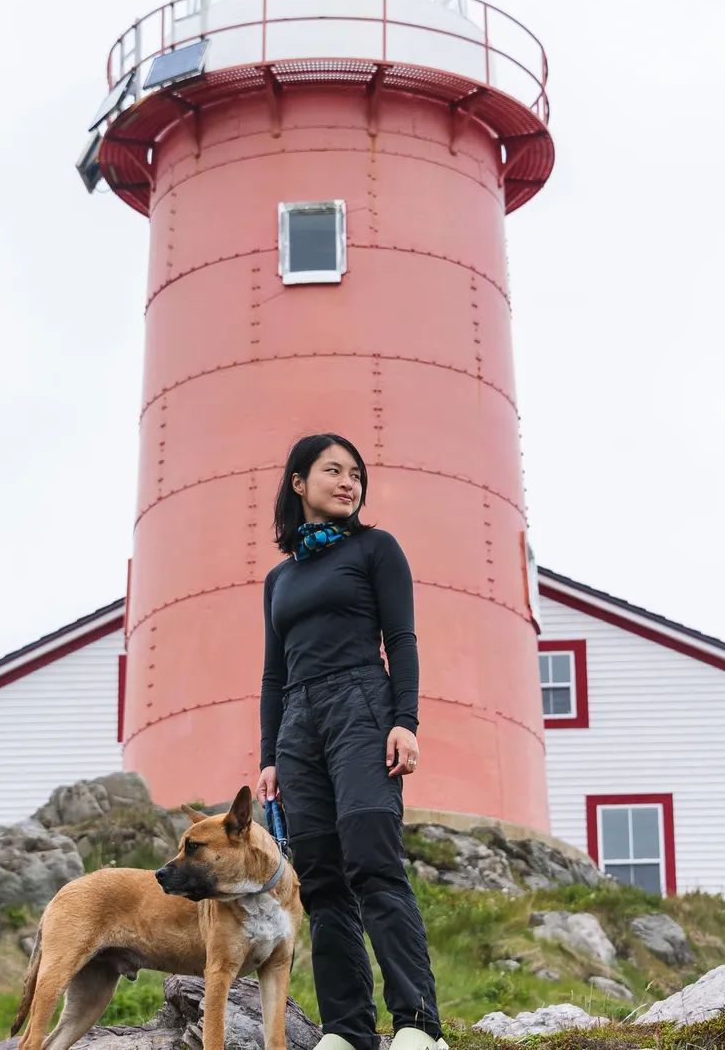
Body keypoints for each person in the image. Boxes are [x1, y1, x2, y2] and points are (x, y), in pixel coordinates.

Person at [255, 434, 445, 1050]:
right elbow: (274, 675)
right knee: (322, 878)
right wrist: (268, 758)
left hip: (362, 705)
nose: (348, 482)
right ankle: (348, 1031)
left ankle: (418, 1026)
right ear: (298, 483)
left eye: (356, 474)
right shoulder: (278, 579)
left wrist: (405, 722)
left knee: (372, 862)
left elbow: (404, 639)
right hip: (297, 727)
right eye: (333, 470)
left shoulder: (375, 549)